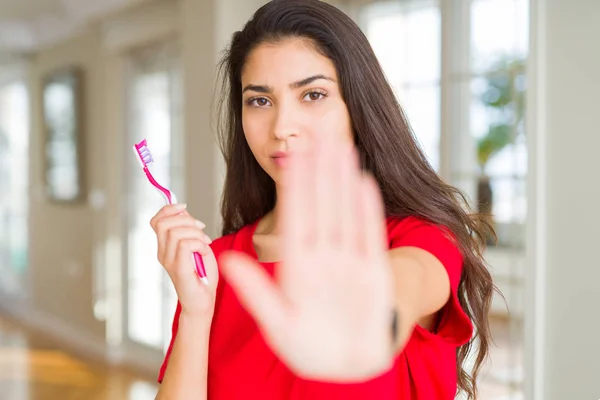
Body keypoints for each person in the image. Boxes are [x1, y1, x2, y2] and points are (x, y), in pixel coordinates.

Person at [152, 0, 495, 399]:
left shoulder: (418, 240)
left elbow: (408, 281)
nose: (282, 127)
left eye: (313, 95)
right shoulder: (214, 269)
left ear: (358, 107)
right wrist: (195, 313)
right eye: (260, 100)